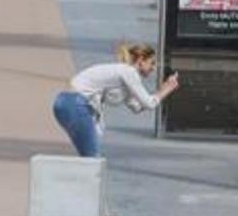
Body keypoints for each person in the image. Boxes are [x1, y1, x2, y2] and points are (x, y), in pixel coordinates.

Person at [52, 45, 180, 158]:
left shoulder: (125, 77)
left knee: (88, 156)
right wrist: (166, 89)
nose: (154, 68)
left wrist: (162, 91)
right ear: (140, 61)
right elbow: (149, 104)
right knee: (91, 158)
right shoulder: (129, 72)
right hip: (76, 103)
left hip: (64, 102)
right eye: (152, 63)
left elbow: (137, 107)